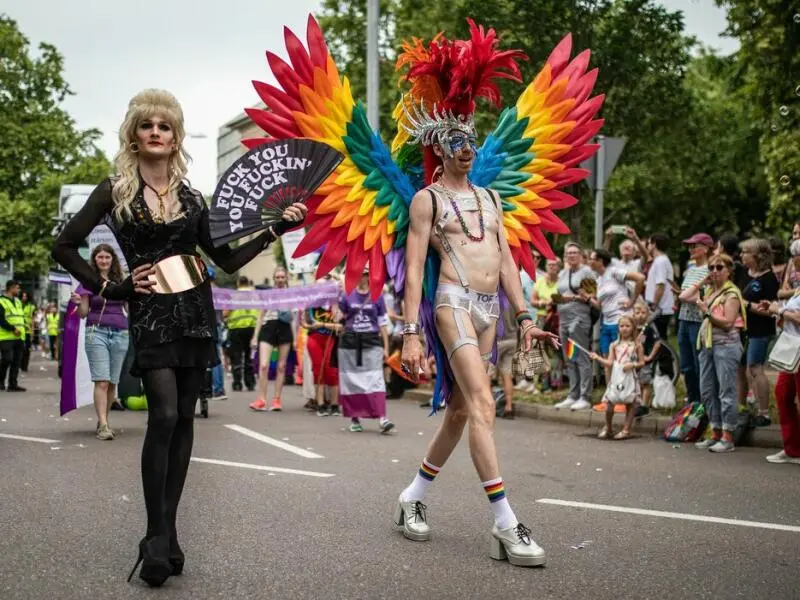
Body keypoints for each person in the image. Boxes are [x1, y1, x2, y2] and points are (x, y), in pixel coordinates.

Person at [52, 89, 305, 587]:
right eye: (146, 125)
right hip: (151, 314)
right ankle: (155, 531)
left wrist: (274, 230)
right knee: (164, 415)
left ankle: (166, 534)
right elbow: (63, 245)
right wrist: (115, 287)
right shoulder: (114, 190)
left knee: (185, 419)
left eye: (164, 127)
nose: (155, 133)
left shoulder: (192, 196)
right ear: (134, 134)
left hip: (194, 310)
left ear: (174, 136)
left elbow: (226, 260)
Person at [397, 103, 559, 568]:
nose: (467, 150)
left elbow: (507, 261)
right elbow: (412, 270)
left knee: (463, 410)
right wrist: (411, 333)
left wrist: (525, 317)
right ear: (439, 149)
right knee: (485, 403)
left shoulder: (490, 198)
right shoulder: (427, 199)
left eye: (471, 141)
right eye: (456, 143)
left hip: (492, 309)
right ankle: (507, 524)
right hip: (453, 304)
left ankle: (413, 495)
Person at [679, 253, 746, 453]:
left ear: (729, 271)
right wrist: (703, 281)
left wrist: (706, 311)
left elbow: (728, 323)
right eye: (711, 268)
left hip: (726, 346)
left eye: (719, 268)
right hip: (708, 346)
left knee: (726, 391)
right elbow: (683, 297)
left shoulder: (731, 294)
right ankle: (715, 432)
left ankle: (728, 436)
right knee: (707, 390)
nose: (715, 271)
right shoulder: (709, 290)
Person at [71, 244, 130, 440]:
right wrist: (79, 303)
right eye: (100, 257)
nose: (104, 261)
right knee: (102, 381)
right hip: (96, 332)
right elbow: (83, 314)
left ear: (112, 259)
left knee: (113, 382)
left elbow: (129, 308)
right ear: (94, 260)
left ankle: (103, 419)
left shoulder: (121, 281)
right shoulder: (88, 281)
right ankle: (103, 425)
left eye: (107, 257)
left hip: (121, 333)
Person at [338, 270, 393, 432]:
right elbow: (338, 318)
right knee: (352, 381)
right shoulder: (346, 295)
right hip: (350, 342)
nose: (364, 276)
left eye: (367, 274)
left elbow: (383, 323)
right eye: (361, 273)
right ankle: (355, 418)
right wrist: (335, 303)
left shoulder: (378, 296)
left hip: (371, 341)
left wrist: (386, 347)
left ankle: (382, 417)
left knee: (376, 379)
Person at [739, 238, 780, 426]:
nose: (742, 255)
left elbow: (770, 308)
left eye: (745, 252)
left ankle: (764, 413)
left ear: (757, 256)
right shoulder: (744, 274)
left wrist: (746, 304)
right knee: (745, 369)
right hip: (744, 328)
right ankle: (747, 407)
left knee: (756, 368)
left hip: (760, 329)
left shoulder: (769, 278)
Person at [552, 242, 596, 411]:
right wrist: (560, 299)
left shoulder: (586, 272)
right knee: (569, 358)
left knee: (580, 357)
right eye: (568, 253)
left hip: (579, 319)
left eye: (574, 253)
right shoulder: (563, 273)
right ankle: (573, 395)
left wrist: (573, 298)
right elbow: (559, 296)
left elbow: (591, 297)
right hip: (563, 319)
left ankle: (585, 396)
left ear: (580, 255)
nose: (571, 255)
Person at [760, 292, 800, 464]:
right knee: (783, 394)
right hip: (792, 349)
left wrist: (781, 311)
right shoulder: (797, 291)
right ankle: (793, 449)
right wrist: (774, 309)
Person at [590, 315, 644, 440]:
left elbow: (642, 362)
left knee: (630, 403)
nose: (624, 329)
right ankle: (608, 427)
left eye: (627, 326)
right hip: (616, 376)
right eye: (621, 326)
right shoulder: (614, 345)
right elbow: (610, 363)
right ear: (618, 328)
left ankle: (626, 429)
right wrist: (598, 358)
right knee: (609, 403)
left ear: (633, 328)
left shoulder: (637, 345)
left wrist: (633, 365)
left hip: (630, 377)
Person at [587, 248, 645, 361]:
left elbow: (640, 278)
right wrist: (587, 298)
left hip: (620, 321)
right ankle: (610, 380)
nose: (589, 261)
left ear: (600, 261)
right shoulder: (598, 280)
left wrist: (632, 301)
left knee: (621, 358)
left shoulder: (614, 272)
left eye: (591, 259)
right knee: (606, 358)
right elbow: (600, 306)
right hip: (606, 323)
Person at [250, 267, 294, 412]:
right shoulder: (267, 294)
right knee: (263, 365)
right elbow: (260, 316)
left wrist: (295, 336)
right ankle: (261, 399)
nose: (280, 280)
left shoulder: (292, 295)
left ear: (286, 278)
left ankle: (276, 399)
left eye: (282, 277)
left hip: (284, 328)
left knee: (281, 366)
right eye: (278, 277)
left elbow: (294, 318)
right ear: (274, 279)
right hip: (268, 328)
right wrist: (255, 337)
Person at [676, 233, 713, 405]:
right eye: (689, 246)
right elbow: (688, 295)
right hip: (684, 318)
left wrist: (686, 296)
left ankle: (703, 400)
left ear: (705, 248)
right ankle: (692, 400)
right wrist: (687, 296)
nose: (691, 249)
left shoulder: (710, 270)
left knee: (699, 362)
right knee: (686, 364)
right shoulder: (690, 270)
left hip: (697, 321)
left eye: (695, 246)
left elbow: (704, 295)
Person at [302, 291, 342, 416]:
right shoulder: (311, 303)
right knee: (318, 370)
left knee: (332, 370)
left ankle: (335, 404)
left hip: (330, 339)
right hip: (314, 338)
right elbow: (304, 323)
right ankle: (320, 403)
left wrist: (324, 324)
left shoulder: (336, 303)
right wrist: (311, 325)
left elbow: (340, 326)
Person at [224, 276, 257, 392]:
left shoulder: (233, 295)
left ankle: (237, 383)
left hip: (236, 329)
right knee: (249, 357)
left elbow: (225, 313)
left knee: (236, 357)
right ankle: (250, 383)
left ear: (238, 283)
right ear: (248, 283)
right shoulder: (255, 295)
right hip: (251, 328)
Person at [644, 233, 675, 340]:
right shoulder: (660, 261)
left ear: (654, 244)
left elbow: (660, 285)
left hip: (659, 309)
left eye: (648, 243)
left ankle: (666, 357)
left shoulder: (661, 261)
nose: (647, 245)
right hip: (659, 308)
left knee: (658, 341)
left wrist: (653, 306)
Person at [0, 280, 26, 392]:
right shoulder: (1, 301)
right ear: (10, 288)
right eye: (17, 288)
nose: (18, 290)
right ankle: (0, 381)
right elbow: (1, 320)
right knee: (7, 359)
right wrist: (13, 329)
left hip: (19, 336)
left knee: (16, 361)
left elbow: (19, 317)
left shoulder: (18, 301)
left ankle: (13, 384)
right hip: (5, 336)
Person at [20, 291, 35, 373]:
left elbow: (32, 320)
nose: (24, 298)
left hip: (28, 331)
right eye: (23, 296)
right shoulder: (17, 304)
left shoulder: (31, 307)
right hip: (19, 331)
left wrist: (32, 331)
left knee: (27, 350)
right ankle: (20, 365)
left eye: (25, 296)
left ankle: (24, 366)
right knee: (20, 350)